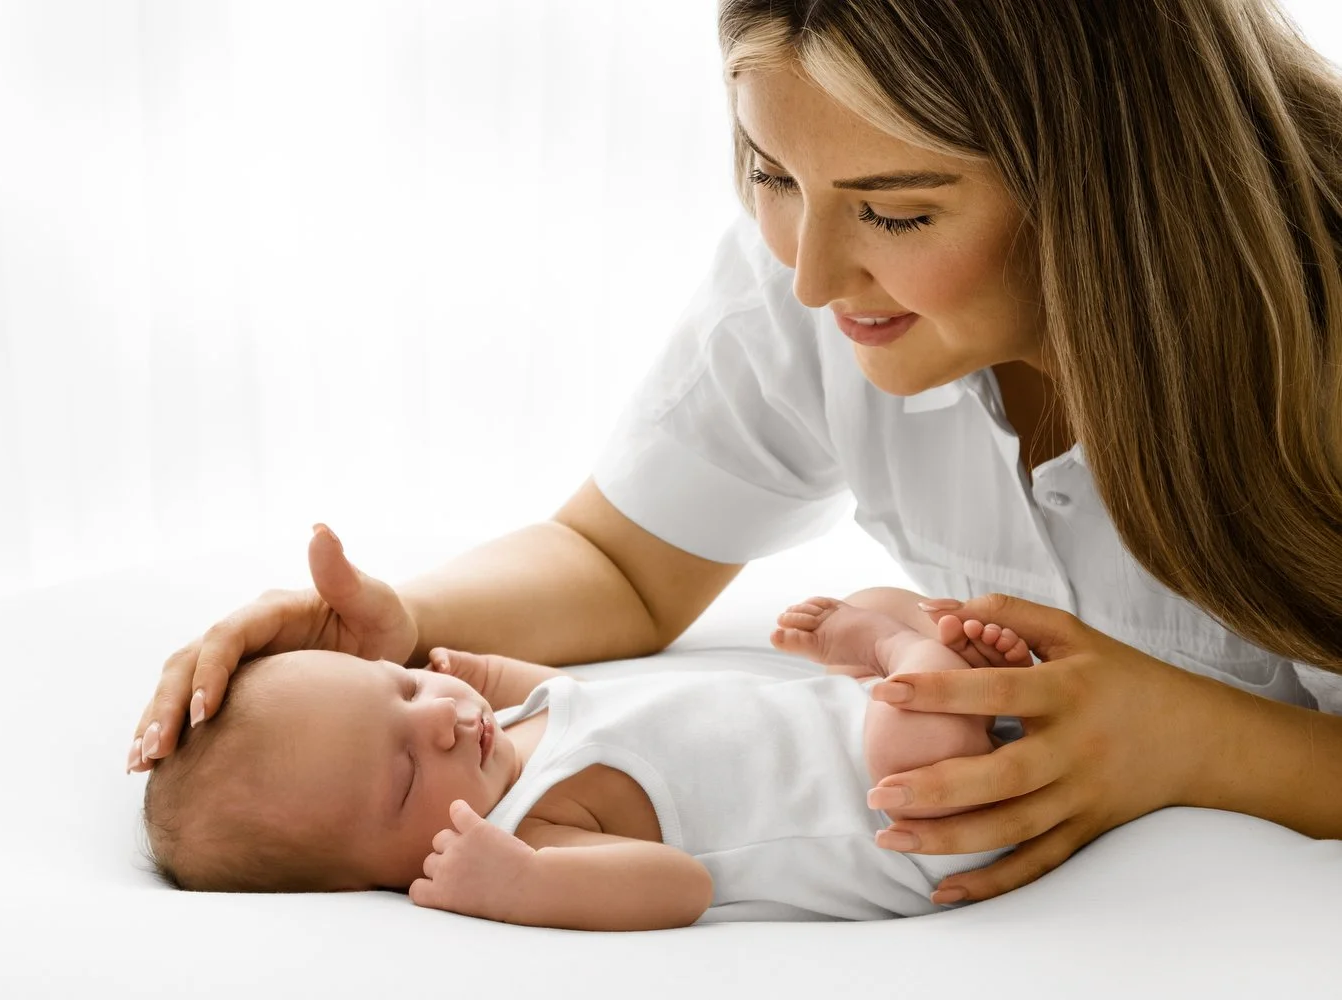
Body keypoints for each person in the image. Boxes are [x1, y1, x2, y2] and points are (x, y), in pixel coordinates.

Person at [129, 0, 1342, 908]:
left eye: (899, 213)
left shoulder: (1315, 359)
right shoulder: (818, 280)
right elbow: (622, 561)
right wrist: (398, 627)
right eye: (768, 172)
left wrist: (1187, 739)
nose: (809, 274)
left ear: (1105, 178)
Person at [139, 585, 1032, 928]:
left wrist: (478, 668)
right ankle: (912, 657)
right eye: (409, 772)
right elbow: (677, 886)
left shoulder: (505, 728)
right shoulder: (531, 831)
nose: (444, 721)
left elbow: (568, 696)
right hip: (908, 816)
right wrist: (522, 886)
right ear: (357, 877)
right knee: (912, 732)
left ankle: (910, 654)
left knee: (875, 609)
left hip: (842, 720)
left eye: (404, 690)